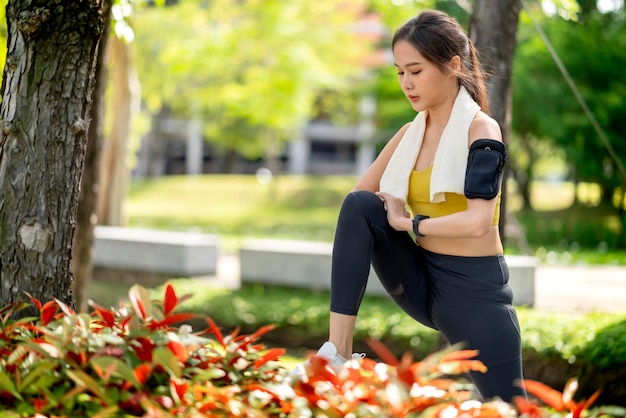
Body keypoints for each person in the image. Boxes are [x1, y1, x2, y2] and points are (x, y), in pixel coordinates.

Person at [293, 9, 527, 403]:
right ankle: (338, 351)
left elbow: (477, 221)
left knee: (512, 410)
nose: (407, 83)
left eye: (415, 71)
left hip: (475, 295)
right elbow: (359, 206)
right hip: (421, 281)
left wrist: (412, 224)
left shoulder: (481, 129)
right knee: (359, 207)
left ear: (452, 65)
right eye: (400, 72)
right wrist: (394, 214)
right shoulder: (409, 134)